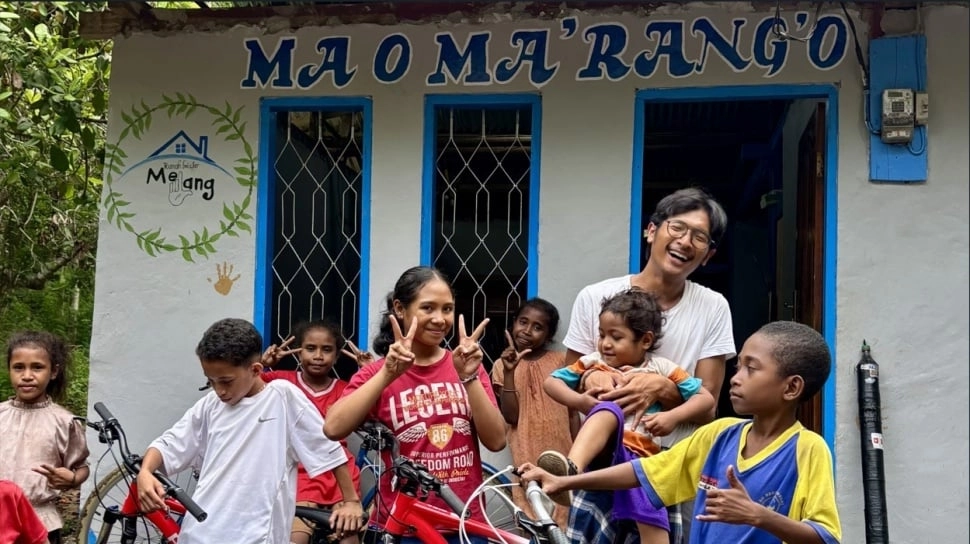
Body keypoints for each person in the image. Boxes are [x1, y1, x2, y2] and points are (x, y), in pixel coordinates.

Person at [519, 321, 841, 544]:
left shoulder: (807, 449)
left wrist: (759, 516)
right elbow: (645, 471)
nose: (735, 377)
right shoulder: (720, 434)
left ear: (791, 387)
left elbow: (825, 536)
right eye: (738, 366)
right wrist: (566, 481)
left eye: (751, 368)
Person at [560, 187, 735, 543]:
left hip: (672, 466)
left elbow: (708, 408)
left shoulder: (713, 308)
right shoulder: (595, 298)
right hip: (603, 462)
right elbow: (570, 384)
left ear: (708, 255)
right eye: (677, 227)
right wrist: (592, 380)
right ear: (651, 230)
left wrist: (661, 388)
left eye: (699, 237)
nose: (685, 242)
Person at [135, 318, 363, 544]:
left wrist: (351, 501)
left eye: (226, 381)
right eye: (211, 381)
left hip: (255, 535)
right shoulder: (210, 406)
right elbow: (170, 443)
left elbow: (328, 450)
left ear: (255, 370)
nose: (219, 390)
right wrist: (146, 472)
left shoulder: (282, 398)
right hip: (200, 533)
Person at [324, 266, 506, 544]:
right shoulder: (378, 373)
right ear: (400, 309)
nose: (439, 319)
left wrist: (468, 377)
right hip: (403, 526)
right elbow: (333, 427)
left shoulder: (466, 366)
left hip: (464, 523)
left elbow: (496, 440)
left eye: (447, 309)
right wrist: (388, 374)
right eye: (428, 308)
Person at [539, 289, 714, 544]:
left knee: (650, 513)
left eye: (616, 336)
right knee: (608, 410)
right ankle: (571, 468)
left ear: (645, 340)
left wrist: (673, 417)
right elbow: (551, 382)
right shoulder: (593, 362)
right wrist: (581, 401)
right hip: (605, 454)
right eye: (602, 335)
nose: (605, 344)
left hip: (642, 458)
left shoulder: (661, 368)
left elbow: (705, 399)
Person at [260, 320, 365, 544]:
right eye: (310, 348)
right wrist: (263, 364)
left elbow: (377, 405)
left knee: (348, 536)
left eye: (326, 350)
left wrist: (370, 374)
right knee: (296, 536)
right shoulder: (280, 381)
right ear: (298, 353)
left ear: (336, 356)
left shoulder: (345, 389)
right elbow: (246, 388)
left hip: (340, 475)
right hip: (300, 472)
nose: (318, 356)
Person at [489, 297, 573, 527]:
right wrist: (509, 372)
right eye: (523, 322)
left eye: (538, 327)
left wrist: (578, 458)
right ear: (514, 322)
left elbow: (572, 413)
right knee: (535, 524)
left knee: (565, 524)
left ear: (548, 335)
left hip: (563, 459)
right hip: (526, 459)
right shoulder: (500, 366)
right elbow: (511, 417)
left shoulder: (560, 361)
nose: (527, 331)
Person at [0, 331, 89, 544]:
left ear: (53, 371)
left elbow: (81, 467)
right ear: (9, 369)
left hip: (42, 523)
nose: (27, 375)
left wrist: (73, 479)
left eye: (37, 367)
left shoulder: (64, 422)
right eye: (18, 367)